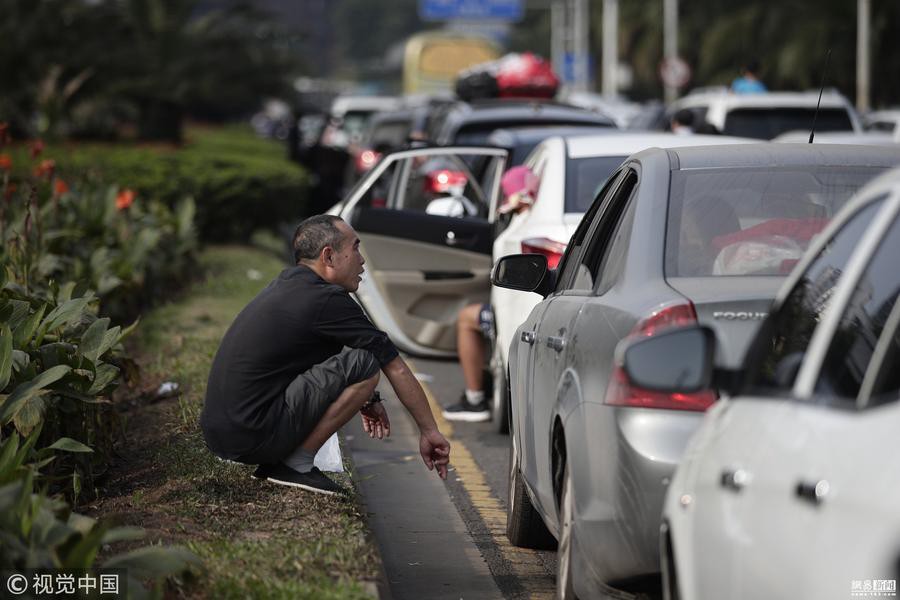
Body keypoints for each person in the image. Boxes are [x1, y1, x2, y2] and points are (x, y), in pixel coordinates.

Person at [200, 215, 451, 495]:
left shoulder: (291, 285)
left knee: (358, 359)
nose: (362, 260)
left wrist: (368, 399)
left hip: (223, 433)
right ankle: (297, 465)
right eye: (355, 248)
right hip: (250, 434)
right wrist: (429, 431)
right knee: (366, 363)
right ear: (329, 256)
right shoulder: (327, 300)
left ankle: (289, 459)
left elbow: (312, 355)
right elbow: (395, 367)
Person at [442, 166, 538, 422]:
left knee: (466, 317)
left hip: (518, 318)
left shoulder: (523, 225)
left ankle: (475, 399)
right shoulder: (537, 217)